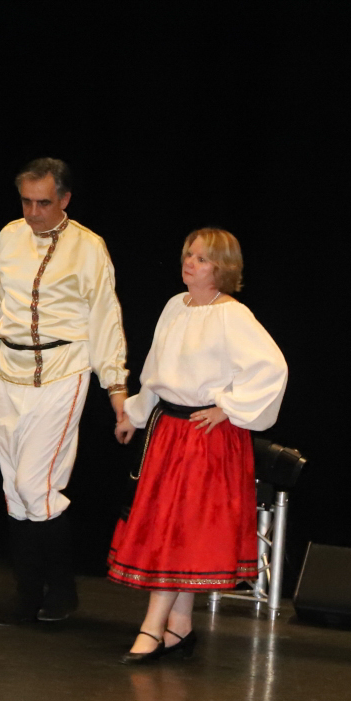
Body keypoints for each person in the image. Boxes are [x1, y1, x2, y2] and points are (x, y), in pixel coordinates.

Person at [0, 157, 128, 626]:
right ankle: (28, 595)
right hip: (9, 373)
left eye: (43, 203)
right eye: (26, 202)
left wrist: (116, 389)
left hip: (62, 371)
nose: (33, 212)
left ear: (65, 199)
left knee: (37, 485)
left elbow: (105, 318)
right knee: (14, 489)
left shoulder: (88, 247)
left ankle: (63, 590)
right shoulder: (9, 236)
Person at [108, 229, 287, 663]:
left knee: (179, 530)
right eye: (189, 254)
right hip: (169, 431)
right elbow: (156, 370)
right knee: (174, 530)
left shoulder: (233, 316)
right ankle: (180, 625)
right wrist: (134, 414)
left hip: (204, 438)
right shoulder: (176, 305)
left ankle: (152, 627)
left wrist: (227, 407)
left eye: (202, 258)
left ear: (222, 268)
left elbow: (272, 369)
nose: (190, 263)